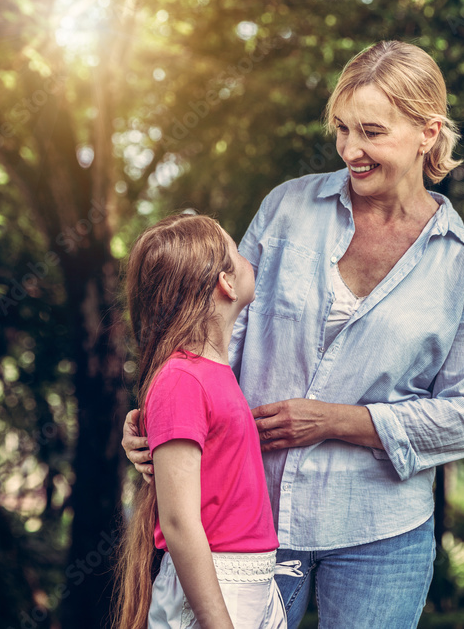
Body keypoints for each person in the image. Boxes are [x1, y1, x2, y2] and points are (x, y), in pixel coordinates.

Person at [123, 40, 464, 628]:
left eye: (371, 132)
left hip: (382, 532)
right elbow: (213, 334)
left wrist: (336, 420)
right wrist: (165, 420)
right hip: (250, 516)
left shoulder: (462, 267)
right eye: (342, 129)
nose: (351, 149)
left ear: (427, 133)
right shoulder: (287, 210)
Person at [113, 214, 301, 629]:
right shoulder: (182, 378)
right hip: (215, 587)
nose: (247, 256)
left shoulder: (213, 374)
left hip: (247, 581)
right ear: (226, 283)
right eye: (237, 251)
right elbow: (179, 522)